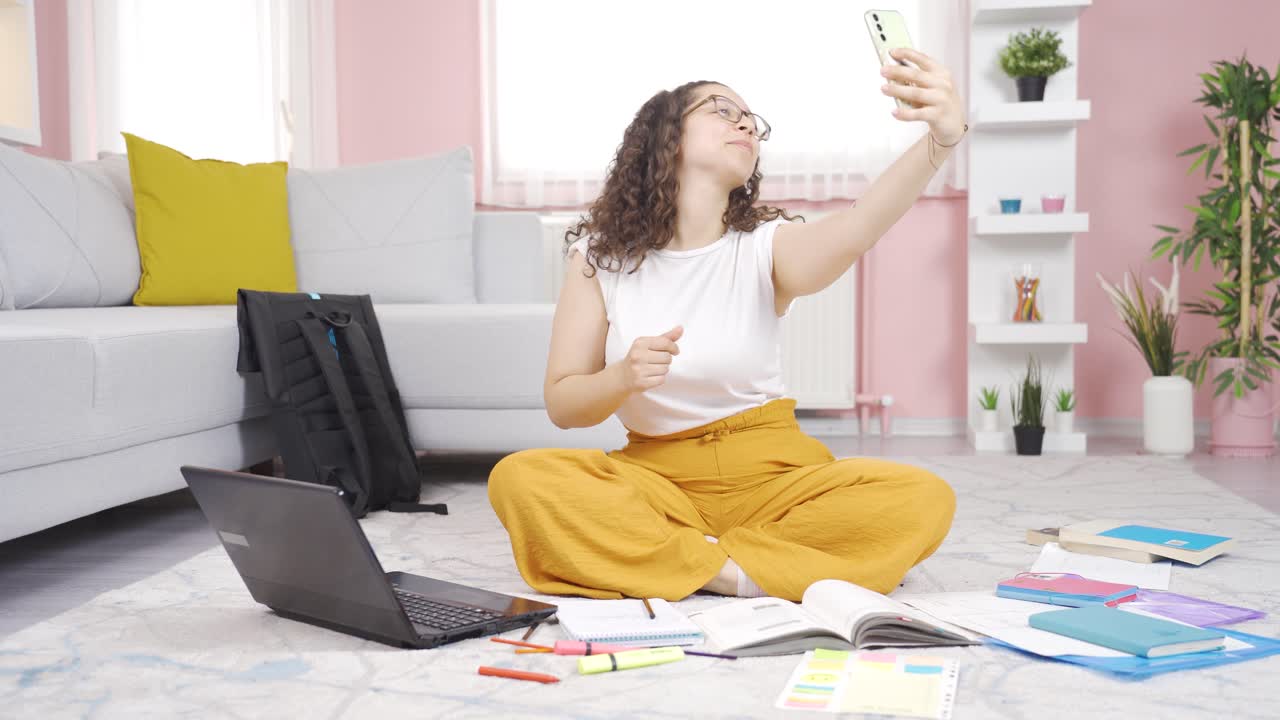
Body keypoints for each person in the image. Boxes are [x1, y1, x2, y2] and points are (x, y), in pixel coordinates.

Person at [489, 48, 967, 602]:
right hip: (658, 485)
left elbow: (859, 225)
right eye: (722, 110)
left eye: (751, 120)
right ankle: (755, 569)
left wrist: (941, 141)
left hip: (776, 479)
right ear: (668, 138)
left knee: (923, 496)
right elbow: (563, 404)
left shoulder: (765, 247)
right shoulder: (599, 260)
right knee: (520, 479)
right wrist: (621, 377)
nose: (746, 124)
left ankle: (693, 565)